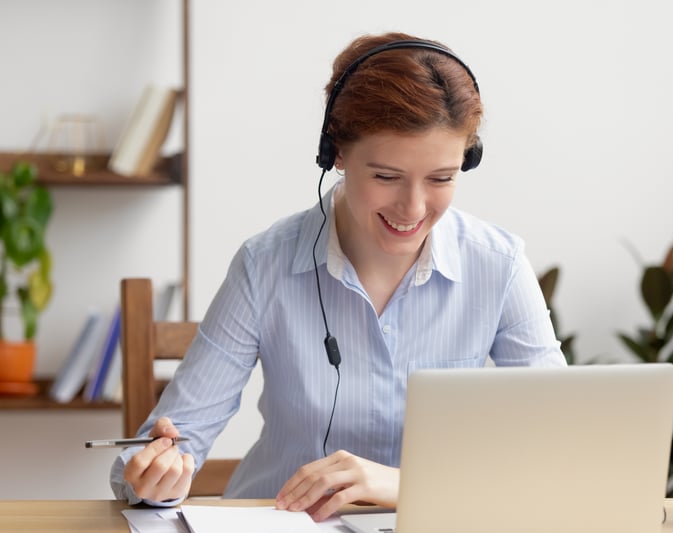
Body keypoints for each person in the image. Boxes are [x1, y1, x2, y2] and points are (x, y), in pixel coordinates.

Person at [110, 31, 566, 521]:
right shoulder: (265, 264)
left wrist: (401, 484)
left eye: (441, 178)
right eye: (386, 176)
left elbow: (563, 448)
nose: (413, 208)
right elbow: (166, 446)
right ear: (337, 154)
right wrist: (156, 474)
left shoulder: (498, 265)